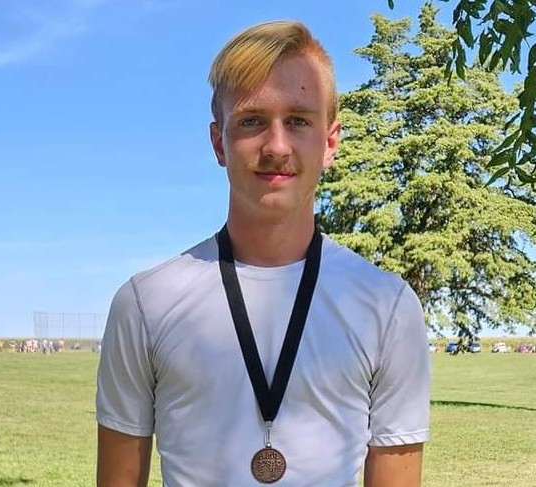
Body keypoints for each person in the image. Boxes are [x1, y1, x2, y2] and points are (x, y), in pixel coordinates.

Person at [96, 20, 430, 486]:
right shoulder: (144, 305)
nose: (276, 146)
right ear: (219, 142)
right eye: (252, 121)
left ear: (330, 142)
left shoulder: (387, 308)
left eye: (298, 121)